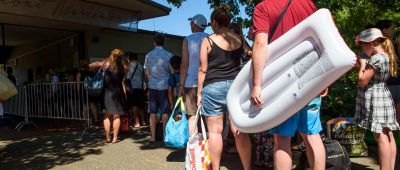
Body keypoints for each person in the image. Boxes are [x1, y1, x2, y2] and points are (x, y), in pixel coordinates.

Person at [250, 0, 327, 170]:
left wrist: (257, 84)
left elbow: (260, 44)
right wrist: (325, 76)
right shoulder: (308, 3)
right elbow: (321, 38)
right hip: (311, 75)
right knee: (312, 135)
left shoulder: (263, 7)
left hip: (283, 81)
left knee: (282, 138)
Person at [197, 6, 251, 170]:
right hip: (236, 88)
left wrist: (199, 93)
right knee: (239, 130)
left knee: (215, 132)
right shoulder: (238, 39)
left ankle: (216, 168)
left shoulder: (208, 40)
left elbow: (202, 69)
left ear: (214, 22)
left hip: (213, 88)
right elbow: (250, 55)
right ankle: (247, 168)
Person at [354, 28, 399, 170]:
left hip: (376, 99)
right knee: (388, 134)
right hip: (384, 96)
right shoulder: (385, 55)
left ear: (371, 43)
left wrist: (362, 64)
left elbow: (362, 81)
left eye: (362, 45)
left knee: (380, 137)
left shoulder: (375, 58)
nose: (362, 49)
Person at [89, 49, 127, 143]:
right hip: (118, 93)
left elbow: (90, 65)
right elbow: (122, 81)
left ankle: (107, 137)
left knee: (106, 116)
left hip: (106, 93)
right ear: (120, 57)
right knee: (116, 116)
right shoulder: (124, 67)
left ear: (111, 55)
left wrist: (102, 63)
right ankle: (115, 138)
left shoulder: (106, 63)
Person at [179, 14, 209, 134]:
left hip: (191, 83)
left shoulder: (188, 39)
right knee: (209, 117)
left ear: (195, 25)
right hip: (207, 82)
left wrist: (181, 84)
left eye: (191, 23)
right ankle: (211, 147)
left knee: (192, 116)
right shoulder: (211, 38)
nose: (190, 25)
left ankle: (194, 147)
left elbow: (184, 64)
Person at [144, 33, 173, 143]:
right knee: (165, 112)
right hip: (165, 86)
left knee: (153, 112)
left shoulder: (148, 55)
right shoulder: (169, 55)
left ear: (154, 42)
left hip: (152, 86)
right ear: (163, 42)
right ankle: (165, 136)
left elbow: (147, 71)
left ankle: (153, 136)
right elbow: (172, 71)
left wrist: (151, 79)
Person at [376, 20, 400, 139]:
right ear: (384, 30)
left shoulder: (389, 45)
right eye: (392, 28)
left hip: (391, 85)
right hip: (388, 85)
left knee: (388, 121)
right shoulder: (381, 45)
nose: (393, 31)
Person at [125, 52, 146, 128]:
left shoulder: (128, 66)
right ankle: (143, 121)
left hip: (132, 88)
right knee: (141, 105)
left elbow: (126, 77)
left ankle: (137, 122)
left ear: (129, 58)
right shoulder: (140, 65)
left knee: (134, 105)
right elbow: (144, 77)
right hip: (140, 87)